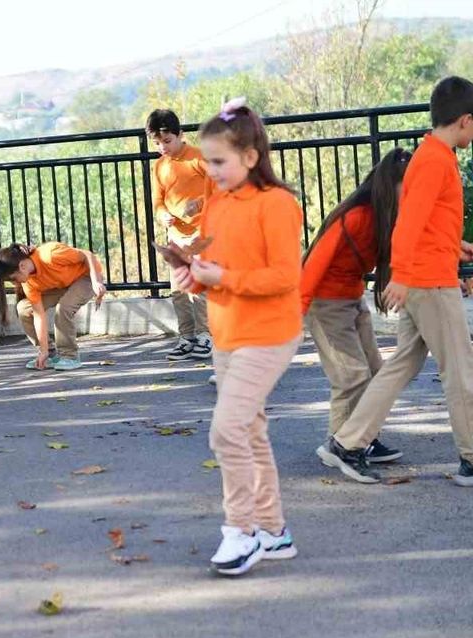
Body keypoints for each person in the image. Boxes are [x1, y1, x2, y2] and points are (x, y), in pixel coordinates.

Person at [318, 76, 473, 485]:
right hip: (429, 283)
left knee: (401, 366)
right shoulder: (434, 159)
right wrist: (402, 276)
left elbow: (426, 221)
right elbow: (407, 226)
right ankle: (471, 458)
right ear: (465, 121)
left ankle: (347, 442)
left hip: (428, 275)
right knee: (461, 370)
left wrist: (454, 245)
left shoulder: (434, 156)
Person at [173, 98, 303, 577]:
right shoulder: (217, 203)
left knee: (226, 430)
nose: (211, 170)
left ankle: (241, 532)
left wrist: (221, 276)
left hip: (268, 334)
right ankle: (274, 531)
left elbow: (285, 277)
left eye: (219, 161)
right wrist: (193, 274)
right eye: (207, 160)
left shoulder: (278, 204)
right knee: (249, 431)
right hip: (226, 331)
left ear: (251, 157)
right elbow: (214, 260)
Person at [301, 149, 411, 464]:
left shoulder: (388, 217)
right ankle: (339, 446)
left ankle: (362, 438)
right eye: (409, 185)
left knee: (376, 372)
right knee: (351, 375)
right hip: (325, 303)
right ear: (390, 186)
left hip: (352, 299)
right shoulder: (356, 216)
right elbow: (314, 264)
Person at [148, 108, 213, 362]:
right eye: (157, 143)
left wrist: (198, 203)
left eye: (167, 141)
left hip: (201, 231)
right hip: (175, 233)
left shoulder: (198, 157)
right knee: (178, 289)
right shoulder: (159, 166)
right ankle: (187, 337)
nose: (163, 147)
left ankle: (206, 335)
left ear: (180, 135)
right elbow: (157, 200)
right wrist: (161, 213)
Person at [0, 242, 107, 371]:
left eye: (13, 279)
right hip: (64, 285)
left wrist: (96, 281)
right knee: (24, 309)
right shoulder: (29, 282)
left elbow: (87, 255)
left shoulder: (49, 255)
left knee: (64, 307)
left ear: (22, 266)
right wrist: (44, 350)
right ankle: (51, 354)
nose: (14, 283)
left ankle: (69, 356)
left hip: (86, 278)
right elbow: (39, 315)